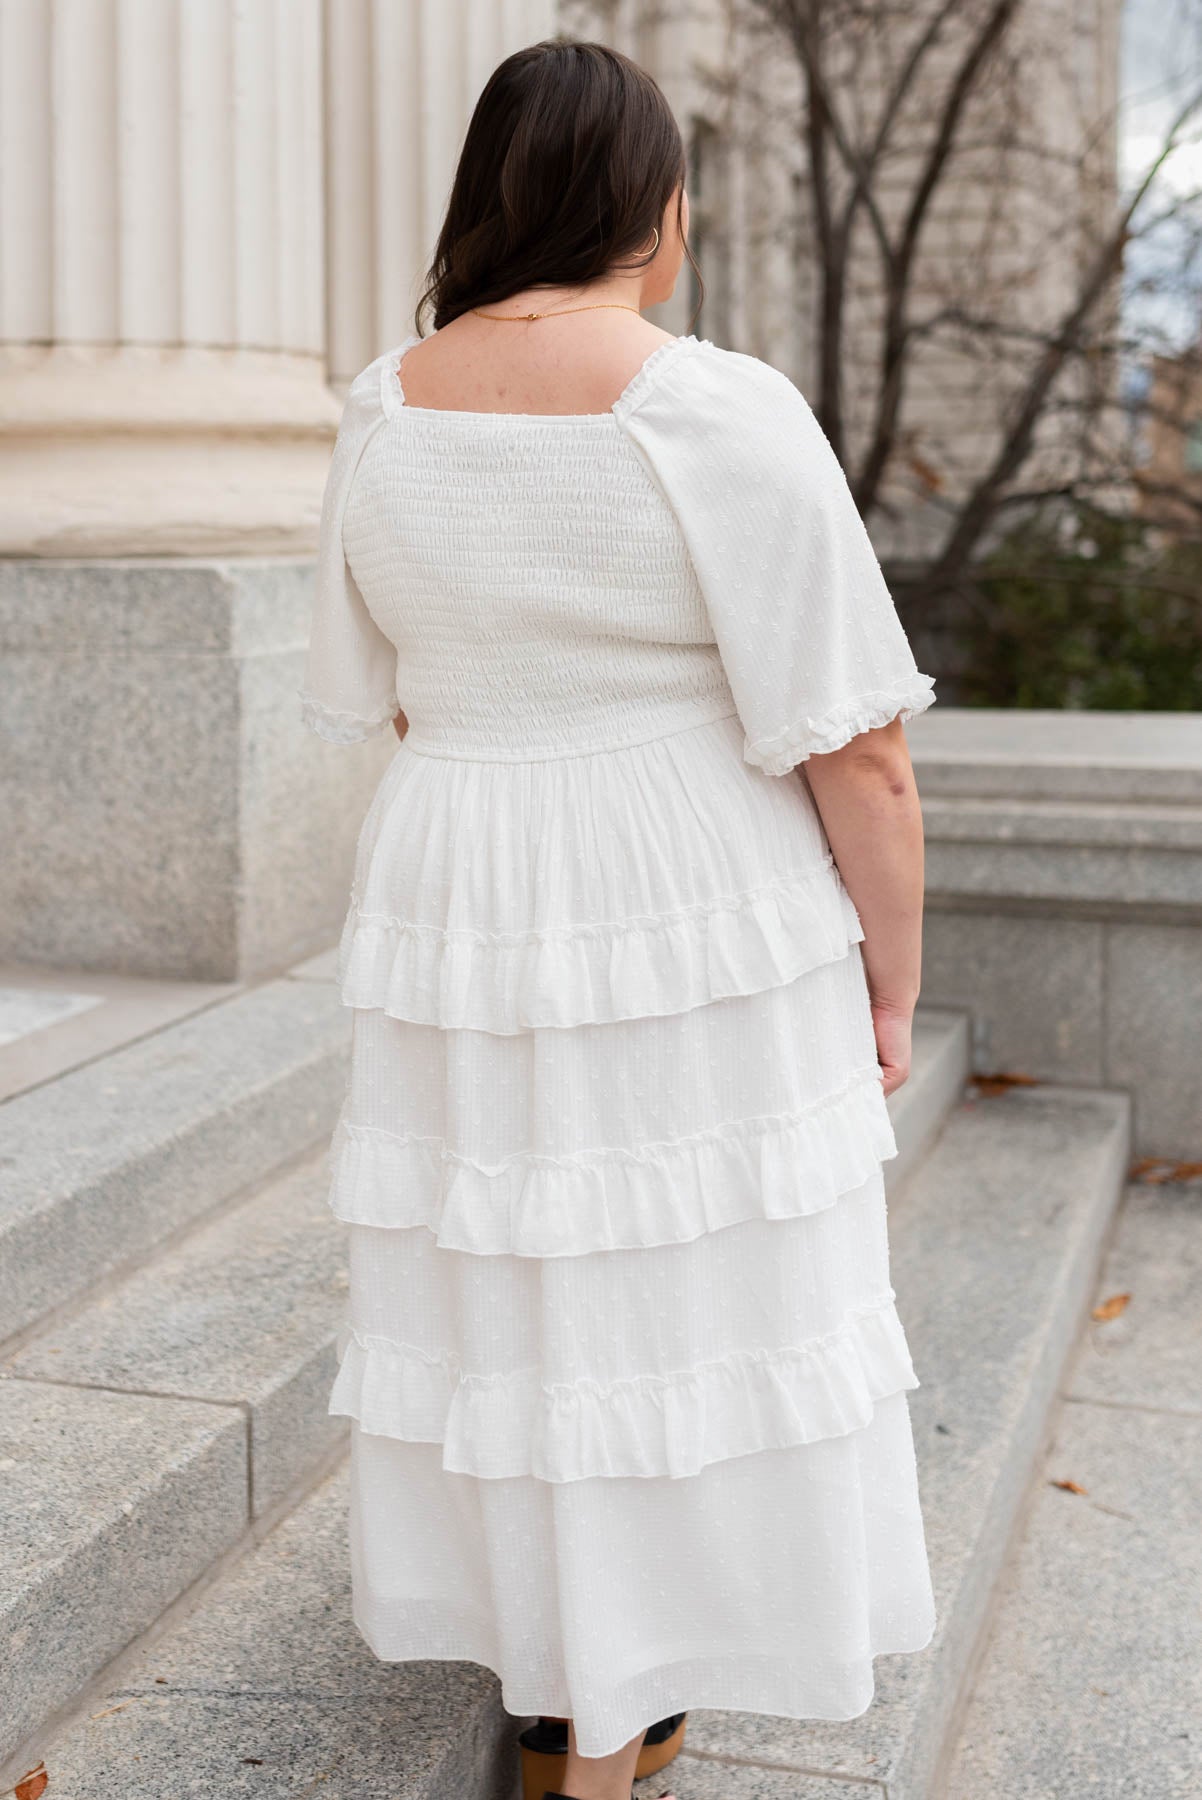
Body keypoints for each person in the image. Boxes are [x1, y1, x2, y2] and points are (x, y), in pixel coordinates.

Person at [299, 35, 938, 1800]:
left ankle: (557, 1670)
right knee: (686, 1278)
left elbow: (390, 689)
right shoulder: (706, 404)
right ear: (655, 207)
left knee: (515, 1275)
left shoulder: (380, 407)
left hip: (463, 870)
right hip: (677, 884)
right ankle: (627, 1700)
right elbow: (858, 749)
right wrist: (891, 984)